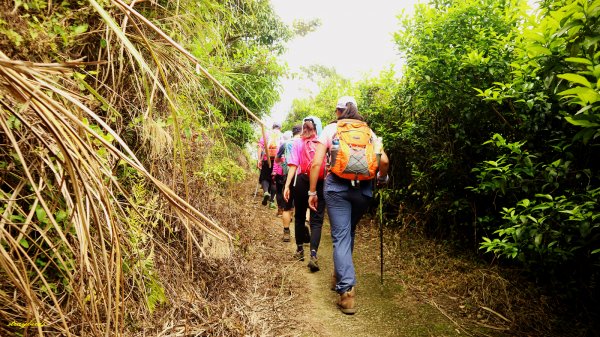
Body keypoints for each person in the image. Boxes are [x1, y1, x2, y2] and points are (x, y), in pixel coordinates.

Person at [308, 96, 389, 315]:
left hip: (337, 189)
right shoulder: (368, 132)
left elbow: (316, 163)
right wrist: (382, 179)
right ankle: (338, 275)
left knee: (341, 235)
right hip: (363, 191)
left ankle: (347, 292)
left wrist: (312, 191)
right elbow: (384, 162)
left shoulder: (331, 130)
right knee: (348, 232)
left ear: (338, 111)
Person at [284, 116, 327, 271]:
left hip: (301, 182)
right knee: (316, 221)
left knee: (300, 216)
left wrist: (287, 186)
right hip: (320, 183)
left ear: (303, 128)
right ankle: (313, 254)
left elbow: (293, 166)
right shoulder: (322, 142)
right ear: (317, 128)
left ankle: (300, 250)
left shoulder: (297, 142)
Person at [275, 125, 301, 242]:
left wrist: (282, 162)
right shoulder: (305, 142)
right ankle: (303, 230)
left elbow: (276, 159)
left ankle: (286, 232)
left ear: (292, 133)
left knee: (287, 206)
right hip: (302, 177)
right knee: (302, 206)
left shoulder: (285, 143)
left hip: (288, 177)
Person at [257, 123, 282, 207]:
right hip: (277, 161)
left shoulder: (266, 134)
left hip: (266, 159)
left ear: (272, 127)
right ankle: (271, 201)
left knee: (265, 177)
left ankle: (266, 192)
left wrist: (259, 159)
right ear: (280, 128)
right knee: (274, 180)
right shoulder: (281, 136)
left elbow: (260, 146)